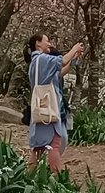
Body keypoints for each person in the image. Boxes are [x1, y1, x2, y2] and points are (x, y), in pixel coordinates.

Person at [24, 34, 83, 172]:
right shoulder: (42, 59)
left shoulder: (36, 62)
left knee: (38, 148)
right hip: (48, 108)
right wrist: (74, 49)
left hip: (41, 108)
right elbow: (61, 62)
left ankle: (28, 177)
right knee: (55, 144)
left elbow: (60, 72)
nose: (50, 44)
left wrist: (73, 60)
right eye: (47, 41)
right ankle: (56, 176)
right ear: (38, 44)